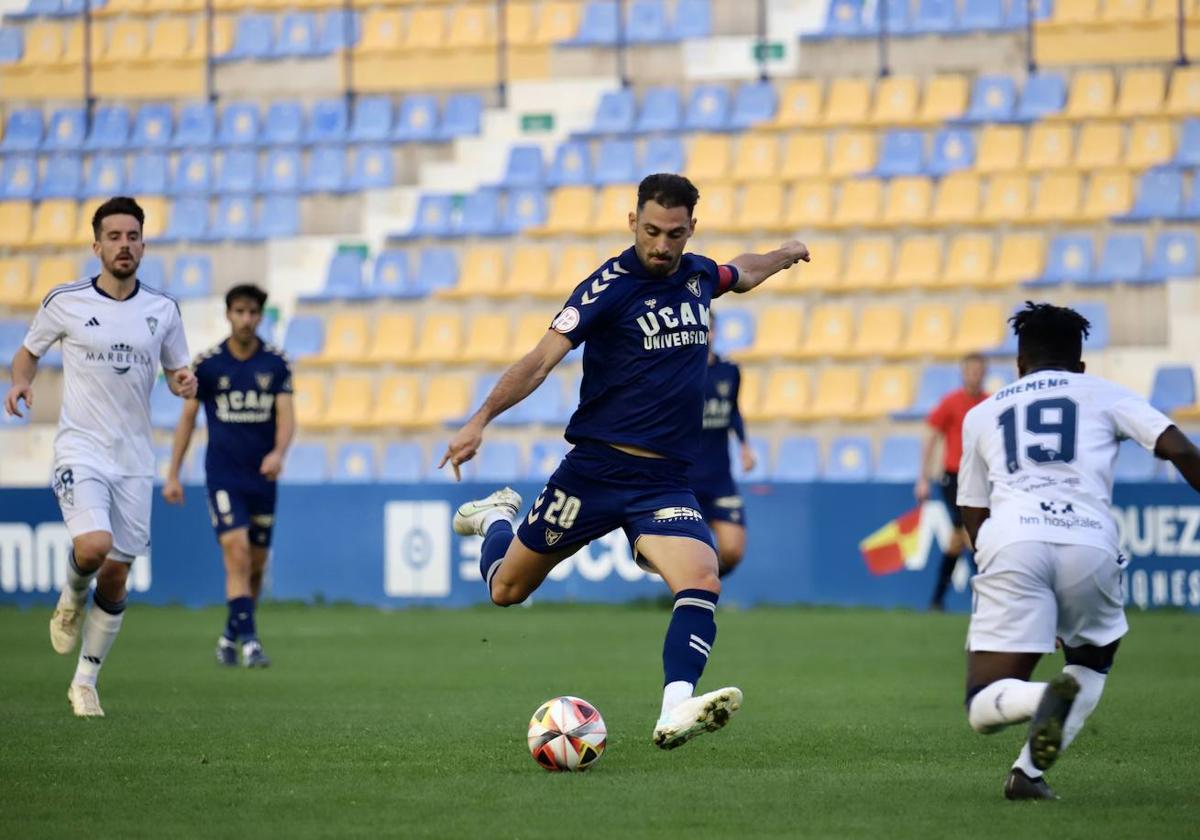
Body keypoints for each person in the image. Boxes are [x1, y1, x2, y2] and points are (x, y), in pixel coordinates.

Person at [439, 173, 809, 750]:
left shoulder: (697, 274)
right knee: (506, 591)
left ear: (691, 230)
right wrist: (480, 418)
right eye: (653, 231)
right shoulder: (605, 289)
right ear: (632, 221)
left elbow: (742, 272)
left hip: (663, 481)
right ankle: (495, 519)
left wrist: (784, 254)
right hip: (594, 473)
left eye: (676, 234)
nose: (663, 245)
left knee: (702, 577)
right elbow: (540, 361)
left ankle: (674, 707)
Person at [956, 302, 1200, 800]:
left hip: (1012, 539)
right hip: (1089, 540)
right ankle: (1027, 774)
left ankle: (1045, 700)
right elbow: (1179, 448)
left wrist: (1007, 578)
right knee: (1092, 658)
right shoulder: (1106, 393)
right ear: (1081, 365)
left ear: (1019, 365)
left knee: (983, 704)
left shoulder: (983, 413)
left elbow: (972, 509)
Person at [3, 196, 196, 717]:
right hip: (80, 449)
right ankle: (70, 597)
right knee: (92, 547)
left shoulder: (163, 310)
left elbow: (179, 373)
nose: (124, 245)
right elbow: (28, 353)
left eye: (132, 236)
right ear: (97, 246)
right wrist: (20, 383)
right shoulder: (63, 301)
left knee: (115, 575)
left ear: (143, 243)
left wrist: (182, 381)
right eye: (114, 236)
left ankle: (85, 681)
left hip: (134, 459)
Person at [162, 284, 294, 668]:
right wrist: (172, 473)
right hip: (223, 478)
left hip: (262, 480)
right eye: (240, 311)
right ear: (228, 314)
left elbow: (287, 417)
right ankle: (251, 644)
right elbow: (187, 420)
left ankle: (228, 636)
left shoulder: (276, 363)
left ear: (260, 316)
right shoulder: (209, 365)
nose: (246, 319)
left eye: (253, 312)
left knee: (254, 565)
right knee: (235, 553)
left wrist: (278, 453)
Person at [916, 352, 989, 610]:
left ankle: (937, 599)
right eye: (970, 370)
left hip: (980, 477)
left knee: (958, 539)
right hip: (953, 477)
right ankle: (984, 598)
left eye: (979, 370)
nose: (974, 375)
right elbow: (931, 436)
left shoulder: (990, 403)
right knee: (970, 534)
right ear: (963, 373)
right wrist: (923, 477)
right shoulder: (951, 402)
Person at [687, 313, 755, 577]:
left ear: (714, 333)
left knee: (733, 550)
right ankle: (693, 592)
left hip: (719, 478)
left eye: (708, 329)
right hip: (684, 479)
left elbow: (733, 410)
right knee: (687, 552)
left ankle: (703, 584)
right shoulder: (677, 373)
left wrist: (744, 445)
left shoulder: (730, 371)